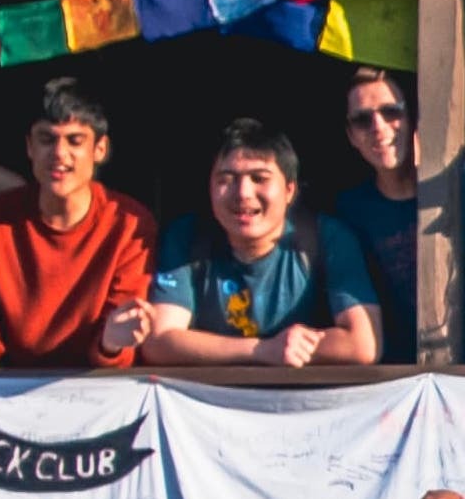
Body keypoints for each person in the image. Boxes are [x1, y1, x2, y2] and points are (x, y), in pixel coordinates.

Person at [0, 81, 156, 369]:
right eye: (47, 139)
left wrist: (112, 343)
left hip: (98, 395)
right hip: (13, 394)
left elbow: (117, 353)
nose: (59, 153)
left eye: (74, 140)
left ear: (100, 149)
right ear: (29, 147)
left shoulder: (129, 224)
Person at [144, 116, 381, 367]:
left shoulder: (326, 238)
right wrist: (260, 350)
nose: (243, 193)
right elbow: (159, 342)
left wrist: (293, 348)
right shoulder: (186, 237)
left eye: (259, 178)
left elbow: (363, 345)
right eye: (227, 179)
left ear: (290, 190)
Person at [326, 65, 465, 360]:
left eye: (391, 112)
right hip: (402, 383)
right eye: (362, 119)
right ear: (351, 136)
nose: (378, 127)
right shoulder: (350, 211)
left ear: (414, 118)